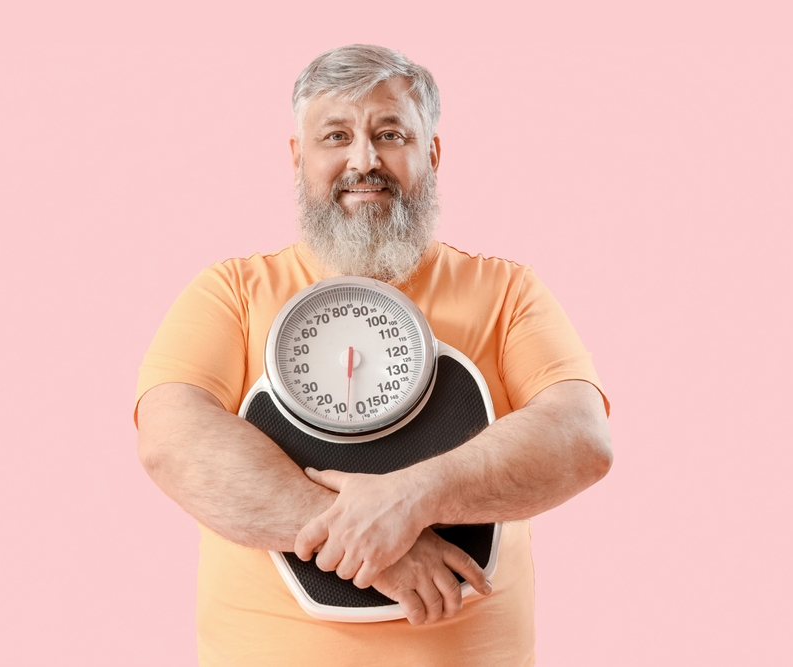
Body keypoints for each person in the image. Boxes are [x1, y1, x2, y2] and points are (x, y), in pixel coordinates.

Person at [135, 44, 613, 667]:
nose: (364, 160)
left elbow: (581, 437)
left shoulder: (508, 292)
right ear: (298, 156)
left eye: (390, 134)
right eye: (336, 136)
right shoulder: (231, 293)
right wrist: (373, 539)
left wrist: (413, 498)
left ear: (431, 154)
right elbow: (172, 442)